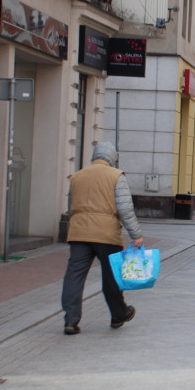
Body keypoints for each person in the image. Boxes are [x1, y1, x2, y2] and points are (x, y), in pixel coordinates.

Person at [61, 142, 143, 335]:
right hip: (106, 234)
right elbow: (124, 208)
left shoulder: (77, 176)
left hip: (79, 233)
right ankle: (118, 315)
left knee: (74, 276)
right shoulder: (116, 176)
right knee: (111, 277)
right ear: (112, 158)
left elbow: (72, 204)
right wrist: (136, 234)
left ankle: (71, 321)